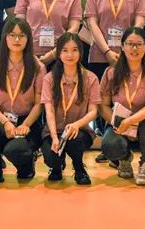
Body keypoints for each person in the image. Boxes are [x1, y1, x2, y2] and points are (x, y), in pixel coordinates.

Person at [0, 17, 46, 183]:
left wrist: (26, 125)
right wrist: (5, 122)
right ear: (5, 37)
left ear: (28, 39)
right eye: (12, 35)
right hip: (2, 119)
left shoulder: (38, 67)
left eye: (21, 35)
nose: (17, 39)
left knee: (16, 150)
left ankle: (27, 167)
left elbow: (39, 103)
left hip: (28, 121)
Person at [99, 28, 145, 186]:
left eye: (139, 44)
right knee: (109, 145)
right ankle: (124, 159)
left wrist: (130, 121)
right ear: (122, 46)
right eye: (130, 44)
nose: (134, 48)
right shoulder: (111, 72)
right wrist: (118, 123)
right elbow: (103, 106)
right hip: (119, 124)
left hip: (144, 124)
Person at [40, 32, 101, 185]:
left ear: (80, 52)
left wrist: (76, 125)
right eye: (65, 50)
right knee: (51, 158)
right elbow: (49, 111)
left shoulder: (91, 78)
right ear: (58, 53)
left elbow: (93, 112)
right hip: (54, 131)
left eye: (74, 50)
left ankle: (79, 168)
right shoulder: (49, 78)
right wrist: (54, 137)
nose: (70, 55)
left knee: (76, 141)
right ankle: (57, 167)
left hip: (79, 131)